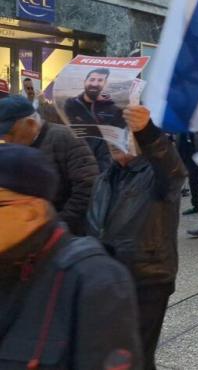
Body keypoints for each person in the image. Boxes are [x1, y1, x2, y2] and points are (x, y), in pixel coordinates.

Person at [0, 144, 142, 369]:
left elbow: (170, 173)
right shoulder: (108, 177)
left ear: (30, 212)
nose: (117, 152)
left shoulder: (94, 279)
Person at [86, 105, 187, 369]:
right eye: (110, 138)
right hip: (108, 279)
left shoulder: (156, 175)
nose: (114, 144)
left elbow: (173, 169)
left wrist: (147, 131)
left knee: (138, 355)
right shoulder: (105, 178)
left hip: (147, 278)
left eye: (121, 136)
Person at [0, 95, 99, 236]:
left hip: (65, 234)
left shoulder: (65, 138)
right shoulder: (16, 149)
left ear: (31, 124)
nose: (6, 139)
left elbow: (87, 186)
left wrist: (58, 225)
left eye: (10, 133)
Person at [177, 132, 198, 215]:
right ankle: (195, 206)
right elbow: (179, 143)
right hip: (188, 158)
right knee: (192, 182)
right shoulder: (181, 127)